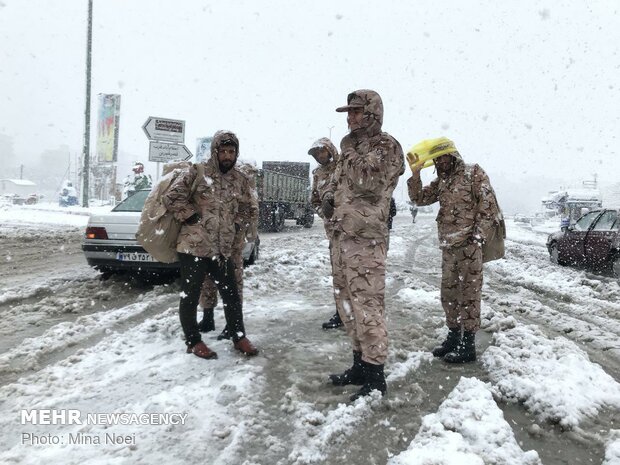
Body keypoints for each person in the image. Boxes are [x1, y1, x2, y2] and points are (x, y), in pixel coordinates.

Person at [323, 89, 404, 400]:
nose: (350, 117)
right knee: (348, 307)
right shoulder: (351, 148)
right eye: (349, 112)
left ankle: (375, 376)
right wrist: (328, 197)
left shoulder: (387, 146)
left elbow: (367, 179)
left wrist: (349, 148)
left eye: (356, 111)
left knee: (367, 307)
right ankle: (359, 364)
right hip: (343, 237)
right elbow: (338, 180)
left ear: (372, 114)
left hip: (366, 241)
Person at [162, 130, 259, 359]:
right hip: (194, 246)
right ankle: (193, 340)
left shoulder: (240, 179)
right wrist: (189, 216)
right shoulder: (198, 172)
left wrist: (237, 224)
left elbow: (246, 207)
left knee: (231, 294)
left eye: (231, 152)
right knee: (190, 295)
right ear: (215, 151)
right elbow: (172, 197)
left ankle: (239, 336)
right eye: (223, 151)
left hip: (222, 249)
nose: (227, 156)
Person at [407, 137, 499, 363]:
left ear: (453, 155)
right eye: (436, 159)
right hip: (448, 247)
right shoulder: (442, 181)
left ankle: (468, 345)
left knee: (469, 294)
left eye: (443, 157)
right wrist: (416, 174)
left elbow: (488, 206)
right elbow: (418, 199)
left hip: (469, 246)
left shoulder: (473, 173)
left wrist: (477, 237)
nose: (440, 162)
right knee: (449, 294)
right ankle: (453, 336)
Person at [197, 161, 259, 339]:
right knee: (208, 280)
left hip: (233, 246)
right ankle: (208, 318)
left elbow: (251, 211)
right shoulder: (215, 183)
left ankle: (231, 324)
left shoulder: (245, 186)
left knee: (233, 285)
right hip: (211, 244)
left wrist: (235, 226)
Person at [307, 137, 343, 330]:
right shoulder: (318, 174)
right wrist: (325, 214)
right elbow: (314, 201)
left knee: (355, 275)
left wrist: (340, 209)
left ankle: (356, 312)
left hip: (350, 229)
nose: (321, 156)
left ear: (330, 150)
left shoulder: (343, 167)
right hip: (333, 232)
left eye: (323, 151)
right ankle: (341, 313)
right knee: (338, 274)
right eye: (317, 153)